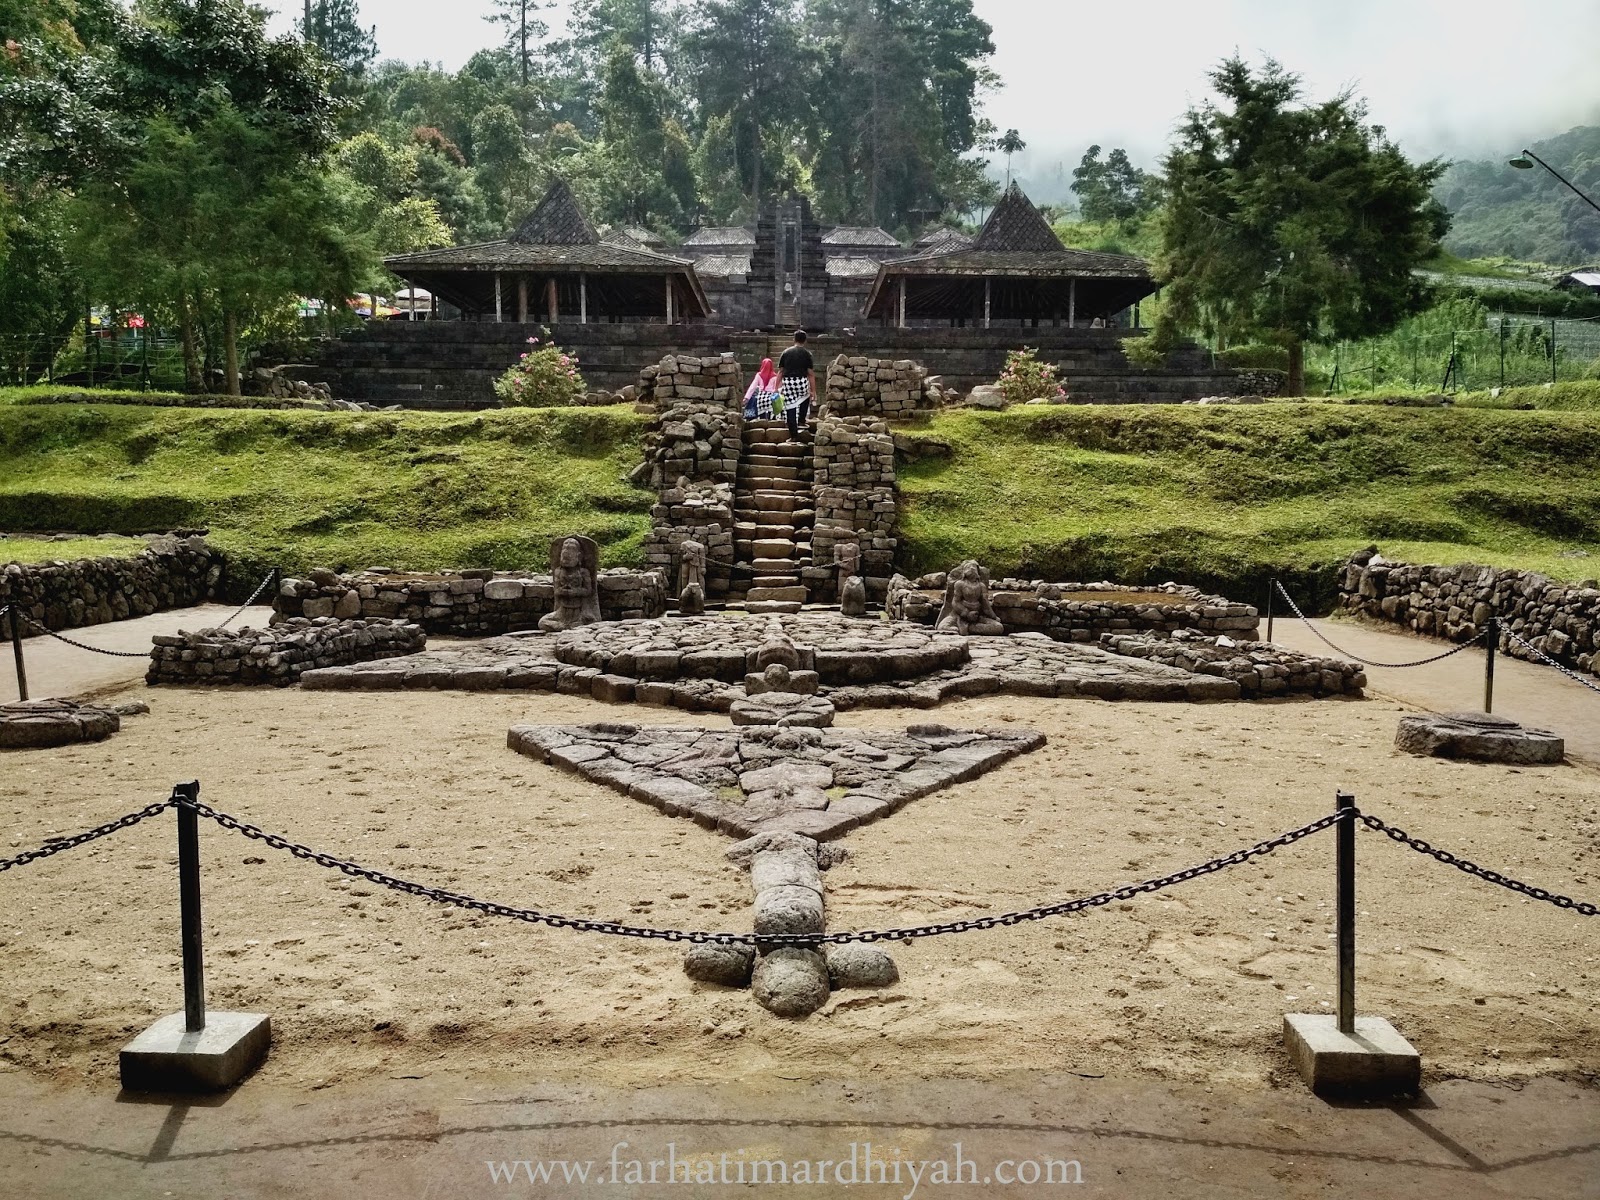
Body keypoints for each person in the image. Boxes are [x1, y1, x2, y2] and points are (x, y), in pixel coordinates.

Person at [777, 329, 816, 439]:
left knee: (790, 407)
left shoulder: (786, 353)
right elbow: (810, 374)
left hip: (788, 382)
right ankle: (801, 420)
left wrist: (776, 387)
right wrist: (813, 391)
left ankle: (793, 436)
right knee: (806, 396)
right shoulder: (807, 354)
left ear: (794, 339)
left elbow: (780, 372)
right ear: (805, 341)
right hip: (802, 381)